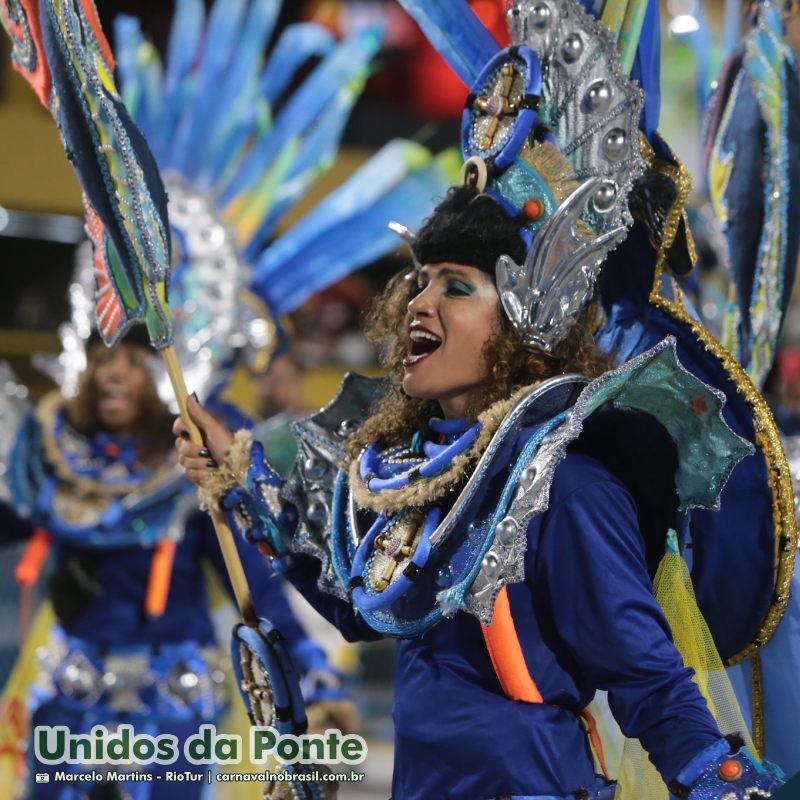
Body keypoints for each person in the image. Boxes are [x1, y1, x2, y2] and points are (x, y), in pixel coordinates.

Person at [174, 183, 785, 799]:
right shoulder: (416, 476)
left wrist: (719, 780)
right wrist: (242, 478)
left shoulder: (566, 485)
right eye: (421, 281)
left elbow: (644, 675)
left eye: (456, 287)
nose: (420, 302)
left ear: (528, 320)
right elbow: (367, 609)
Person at [0, 333, 341, 800]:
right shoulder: (54, 467)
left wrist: (308, 666)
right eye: (101, 361)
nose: (112, 373)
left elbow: (254, 587)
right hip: (73, 699)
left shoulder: (188, 474)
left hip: (172, 708)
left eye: (133, 362)